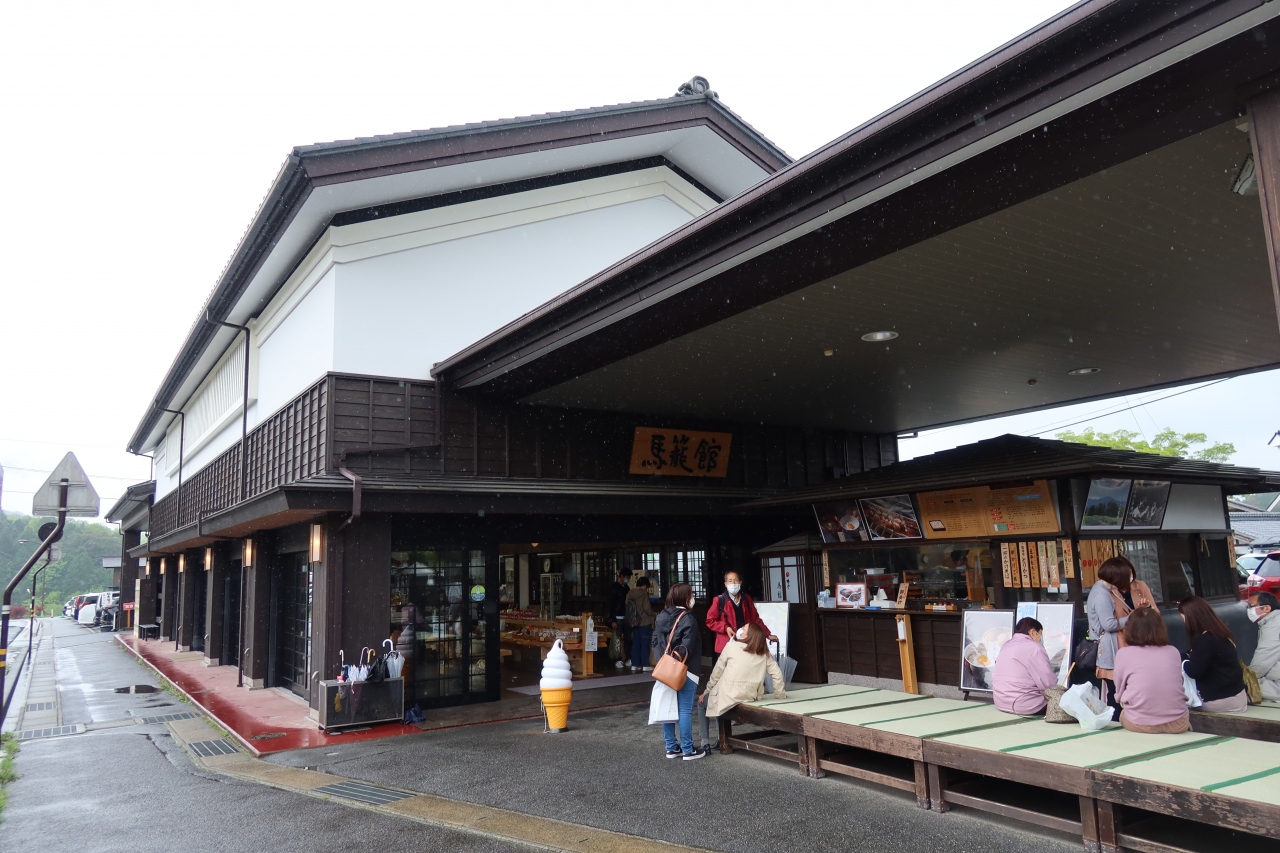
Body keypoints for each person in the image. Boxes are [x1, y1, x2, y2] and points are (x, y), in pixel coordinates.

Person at [698, 623, 786, 752]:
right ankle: (719, 739)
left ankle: (705, 742)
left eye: (744, 629)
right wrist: (780, 695)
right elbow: (777, 673)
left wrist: (706, 691)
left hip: (727, 695)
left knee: (703, 703)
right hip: (749, 696)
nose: (740, 630)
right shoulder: (763, 653)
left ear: (748, 636)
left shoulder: (731, 647)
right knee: (719, 701)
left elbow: (717, 672)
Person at [1113, 607, 1191, 734]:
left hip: (1138, 723)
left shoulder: (1123, 654)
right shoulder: (1173, 651)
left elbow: (1119, 692)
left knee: (1123, 714)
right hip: (1178, 722)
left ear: (1130, 629)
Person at [652, 582, 705, 760]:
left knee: (667, 707)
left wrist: (663, 662)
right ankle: (688, 749)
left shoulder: (661, 616)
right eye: (691, 595)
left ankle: (671, 747)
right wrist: (677, 662)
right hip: (686, 669)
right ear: (685, 597)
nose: (692, 598)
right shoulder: (688, 618)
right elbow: (687, 646)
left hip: (664, 670)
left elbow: (655, 642)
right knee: (684, 710)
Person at [1178, 596, 1247, 714]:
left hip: (1220, 700)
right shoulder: (1220, 633)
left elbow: (1194, 671)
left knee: (1176, 705)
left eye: (1183, 617)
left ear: (1191, 617)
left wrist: (1181, 658)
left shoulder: (1205, 640)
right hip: (1238, 696)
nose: (1184, 621)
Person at [1087, 557, 1137, 709]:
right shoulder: (1102, 595)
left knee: (1115, 691)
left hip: (1108, 647)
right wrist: (1131, 618)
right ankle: (1115, 719)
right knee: (1116, 693)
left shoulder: (1102, 589)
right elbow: (1108, 624)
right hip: (1109, 649)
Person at [993, 617, 1059, 716]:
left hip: (1001, 702)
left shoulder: (1006, 645)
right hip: (1027, 706)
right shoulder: (1035, 648)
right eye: (1040, 634)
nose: (1041, 639)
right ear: (1032, 632)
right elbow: (1047, 683)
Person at [705, 572, 773, 667]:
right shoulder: (719, 600)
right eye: (730, 581)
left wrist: (767, 634)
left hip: (746, 643)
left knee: (744, 669)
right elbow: (710, 620)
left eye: (735, 580)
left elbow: (755, 619)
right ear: (725, 584)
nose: (733, 583)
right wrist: (725, 628)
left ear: (740, 583)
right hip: (726, 644)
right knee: (727, 671)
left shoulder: (746, 599)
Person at [1248, 591, 1280, 701]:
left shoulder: (1273, 626)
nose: (1249, 610)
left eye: (1251, 606)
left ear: (1266, 608)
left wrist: (1247, 678)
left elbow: (1263, 660)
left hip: (1276, 685)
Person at [626, 576, 656, 672]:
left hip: (634, 621)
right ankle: (645, 664)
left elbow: (627, 606)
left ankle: (635, 664)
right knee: (645, 643)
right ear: (644, 585)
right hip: (644, 621)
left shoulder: (630, 593)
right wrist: (653, 614)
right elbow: (647, 608)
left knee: (635, 643)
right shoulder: (644, 594)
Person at [608, 569, 632, 671]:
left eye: (629, 578)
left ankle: (628, 657)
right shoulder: (614, 587)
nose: (628, 579)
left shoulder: (627, 588)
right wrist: (612, 619)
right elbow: (610, 605)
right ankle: (617, 659)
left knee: (628, 638)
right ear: (621, 576)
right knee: (617, 639)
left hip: (626, 616)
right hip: (617, 616)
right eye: (627, 577)